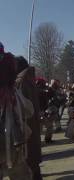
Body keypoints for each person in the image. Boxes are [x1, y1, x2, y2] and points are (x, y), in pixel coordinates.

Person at [0, 43, 33, 180]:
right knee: (20, 174)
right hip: (13, 145)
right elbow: (29, 111)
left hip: (10, 144)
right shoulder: (14, 93)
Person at [15, 56, 42, 180]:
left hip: (26, 124)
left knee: (28, 157)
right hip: (33, 123)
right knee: (33, 157)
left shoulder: (20, 82)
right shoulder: (29, 79)